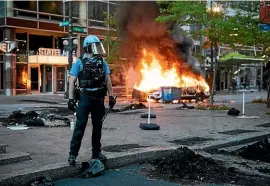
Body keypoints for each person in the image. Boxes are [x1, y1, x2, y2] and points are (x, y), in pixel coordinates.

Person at [67, 35, 116, 165]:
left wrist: (111, 96)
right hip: (85, 98)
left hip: (98, 99)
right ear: (88, 48)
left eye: (98, 45)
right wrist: (71, 99)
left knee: (97, 127)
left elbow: (107, 80)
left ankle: (96, 153)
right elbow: (71, 81)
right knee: (80, 126)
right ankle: (72, 155)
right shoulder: (79, 62)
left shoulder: (102, 62)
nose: (97, 49)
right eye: (95, 46)